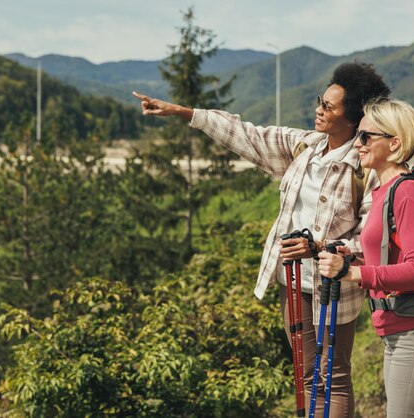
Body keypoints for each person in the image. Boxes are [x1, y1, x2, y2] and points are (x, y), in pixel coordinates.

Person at [133, 62, 390, 417]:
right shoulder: (305, 147)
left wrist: (323, 249)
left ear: (352, 118)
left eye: (329, 107)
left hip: (335, 286)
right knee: (307, 373)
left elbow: (371, 236)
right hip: (293, 279)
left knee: (334, 375)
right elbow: (248, 135)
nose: (319, 109)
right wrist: (185, 113)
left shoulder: (366, 169)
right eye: (321, 101)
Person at [317, 99, 414, 417]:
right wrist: (353, 262)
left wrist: (352, 274)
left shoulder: (408, 192)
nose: (358, 143)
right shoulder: (383, 191)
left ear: (394, 142)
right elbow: (393, 262)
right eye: (358, 135)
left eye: (366, 136)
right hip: (399, 331)